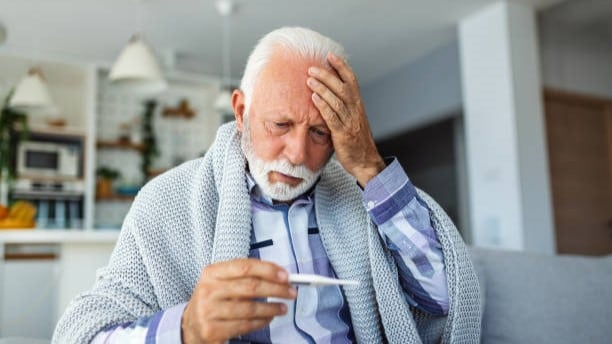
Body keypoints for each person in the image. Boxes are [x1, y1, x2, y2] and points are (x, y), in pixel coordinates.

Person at [53, 27, 481, 344]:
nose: (297, 153)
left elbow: (445, 300)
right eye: (280, 124)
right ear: (241, 111)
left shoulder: (359, 197)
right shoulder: (166, 202)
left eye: (320, 133)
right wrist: (187, 327)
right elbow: (80, 334)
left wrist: (369, 165)